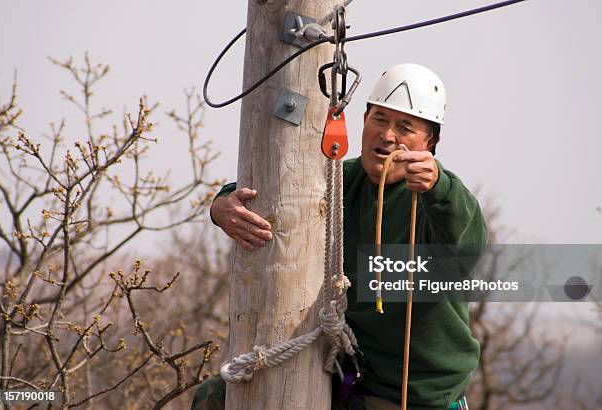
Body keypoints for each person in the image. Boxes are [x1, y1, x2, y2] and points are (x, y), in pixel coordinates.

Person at [192, 64, 486, 410]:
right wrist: (222, 203)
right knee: (218, 397)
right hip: (344, 372)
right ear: (363, 121)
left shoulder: (439, 200)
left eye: (405, 127)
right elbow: (283, 188)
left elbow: (466, 243)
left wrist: (440, 186)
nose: (388, 135)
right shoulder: (338, 182)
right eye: (380, 119)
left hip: (412, 394)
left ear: (429, 142)